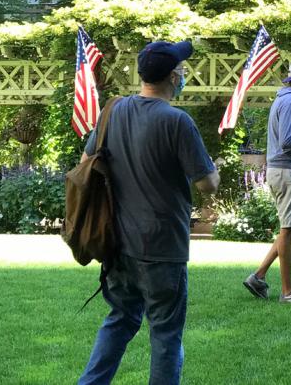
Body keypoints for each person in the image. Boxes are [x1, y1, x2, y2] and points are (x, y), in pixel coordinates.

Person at [78, 41, 220, 385]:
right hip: (162, 247)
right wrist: (213, 170)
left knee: (120, 320)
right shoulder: (177, 122)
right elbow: (207, 185)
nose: (184, 75)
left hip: (117, 243)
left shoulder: (112, 112)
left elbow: (85, 165)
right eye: (182, 71)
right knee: (166, 335)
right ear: (174, 76)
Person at [243, 60, 291, 305]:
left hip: (283, 170)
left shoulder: (288, 100)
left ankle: (258, 276)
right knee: (289, 230)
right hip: (287, 171)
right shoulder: (289, 102)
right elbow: (288, 140)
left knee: (290, 229)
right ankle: (287, 293)